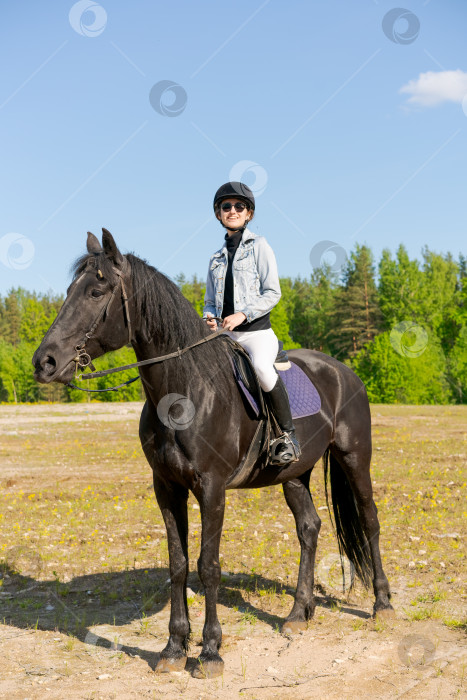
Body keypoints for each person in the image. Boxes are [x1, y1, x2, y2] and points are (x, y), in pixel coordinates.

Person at [203, 181, 301, 467]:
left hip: (257, 334)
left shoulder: (260, 246)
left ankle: (287, 436)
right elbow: (210, 301)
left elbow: (273, 292)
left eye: (239, 206)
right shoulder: (215, 259)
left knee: (260, 368)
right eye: (226, 207)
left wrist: (243, 314)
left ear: (249, 214)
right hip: (225, 337)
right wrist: (209, 317)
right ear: (219, 213)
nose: (232, 211)